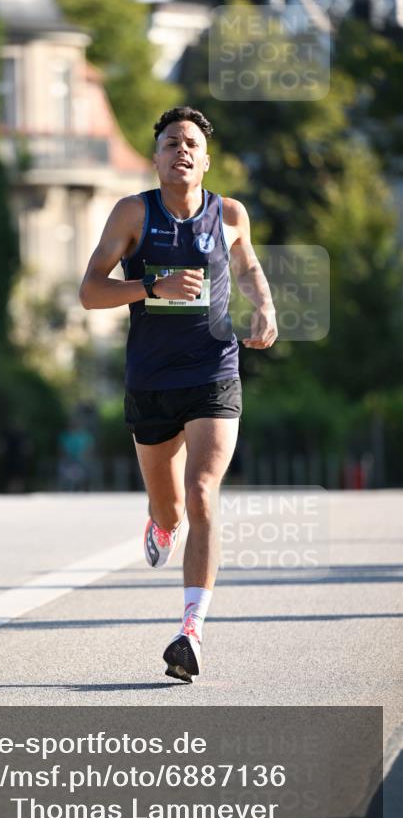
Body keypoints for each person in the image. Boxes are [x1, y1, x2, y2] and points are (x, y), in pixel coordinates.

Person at [79, 106, 277, 683]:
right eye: (170, 143)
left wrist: (263, 305)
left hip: (215, 369)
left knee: (203, 492)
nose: (181, 152)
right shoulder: (133, 212)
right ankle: (159, 523)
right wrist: (150, 286)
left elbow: (248, 269)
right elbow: (91, 292)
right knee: (170, 508)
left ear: (206, 159)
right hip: (150, 380)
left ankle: (190, 630)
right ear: (157, 156)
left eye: (191, 144)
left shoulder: (231, 213)